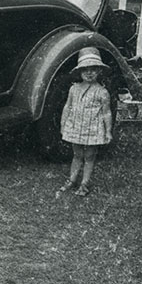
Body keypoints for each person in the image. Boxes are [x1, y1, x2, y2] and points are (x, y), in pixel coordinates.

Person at [57, 47, 113, 197]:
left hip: (93, 129)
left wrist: (108, 131)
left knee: (89, 156)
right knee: (76, 155)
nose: (89, 73)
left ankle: (84, 184)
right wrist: (64, 124)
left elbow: (106, 112)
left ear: (99, 71)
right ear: (79, 72)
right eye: (85, 69)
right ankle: (72, 179)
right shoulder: (74, 89)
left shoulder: (102, 92)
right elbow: (67, 106)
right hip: (76, 127)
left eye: (93, 69)